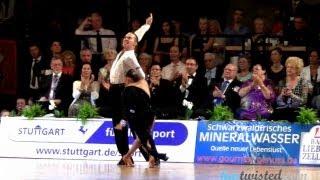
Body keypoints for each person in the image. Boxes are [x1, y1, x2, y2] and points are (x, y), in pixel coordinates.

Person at [109, 13, 153, 165]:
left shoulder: (129, 56)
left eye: (130, 38)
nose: (126, 39)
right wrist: (146, 25)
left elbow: (140, 74)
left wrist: (135, 84)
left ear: (135, 44)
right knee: (118, 125)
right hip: (114, 91)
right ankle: (124, 156)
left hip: (123, 91)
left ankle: (150, 156)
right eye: (125, 37)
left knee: (131, 125)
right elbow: (137, 35)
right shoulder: (124, 51)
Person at [117, 69, 168, 168]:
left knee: (142, 138)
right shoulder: (143, 83)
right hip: (149, 114)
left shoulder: (128, 89)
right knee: (142, 138)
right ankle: (151, 157)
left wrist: (123, 122)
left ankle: (129, 156)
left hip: (140, 116)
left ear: (128, 79)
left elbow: (127, 109)